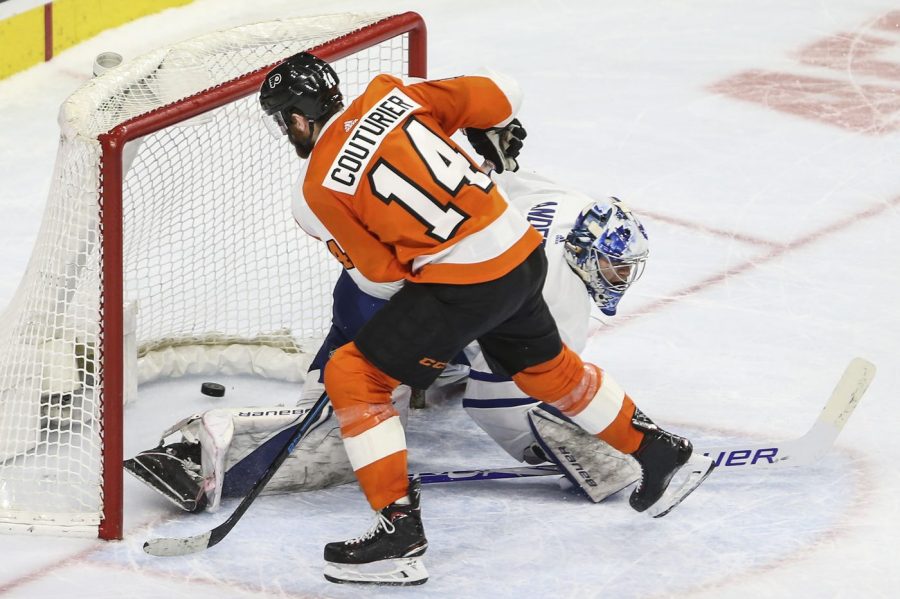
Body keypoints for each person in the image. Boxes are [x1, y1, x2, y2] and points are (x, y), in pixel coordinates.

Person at [256, 52, 714, 586]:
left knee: (353, 374)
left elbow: (381, 278)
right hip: (522, 249)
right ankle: (663, 455)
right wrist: (492, 131)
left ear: (294, 119)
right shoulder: (393, 92)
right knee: (547, 369)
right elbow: (503, 91)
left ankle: (397, 534)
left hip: (465, 283)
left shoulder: (314, 190)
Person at [124, 168, 648, 515]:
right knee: (336, 445)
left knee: (465, 335)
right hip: (400, 309)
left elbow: (493, 174)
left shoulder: (567, 201)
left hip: (385, 284)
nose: (619, 276)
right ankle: (202, 451)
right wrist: (562, 451)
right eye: (614, 265)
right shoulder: (561, 292)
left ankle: (421, 375)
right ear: (583, 250)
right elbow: (497, 407)